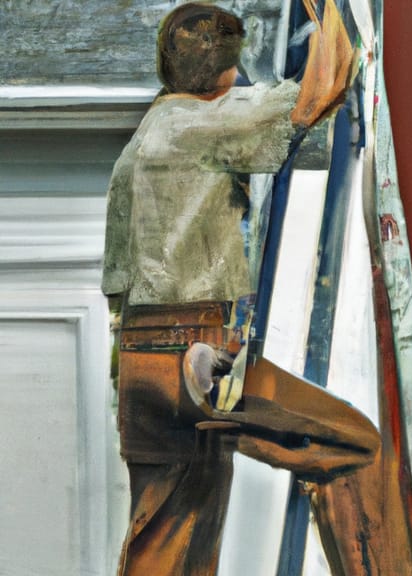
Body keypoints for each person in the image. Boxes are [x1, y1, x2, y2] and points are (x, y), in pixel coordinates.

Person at [101, 3, 382, 574]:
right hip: (196, 357)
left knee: (171, 535)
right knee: (355, 448)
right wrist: (332, 10)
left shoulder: (145, 137)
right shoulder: (208, 120)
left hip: (138, 368)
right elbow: (323, 85)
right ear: (226, 71)